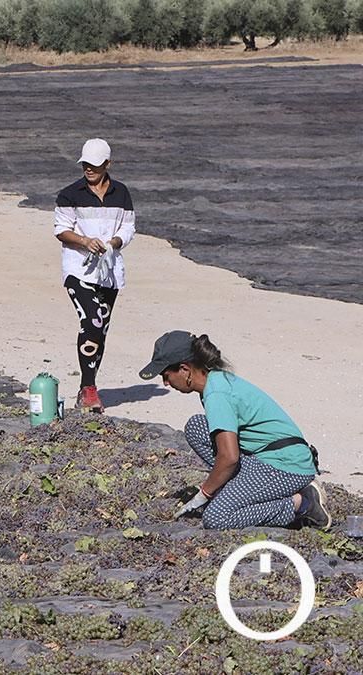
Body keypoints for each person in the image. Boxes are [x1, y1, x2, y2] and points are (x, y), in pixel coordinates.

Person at [141, 331, 330, 531]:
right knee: (196, 427)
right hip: (268, 457)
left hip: (287, 468)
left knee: (216, 518)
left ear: (185, 369)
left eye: (166, 375)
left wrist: (204, 494)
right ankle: (237, 491)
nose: (165, 383)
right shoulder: (215, 379)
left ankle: (303, 504)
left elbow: (229, 457)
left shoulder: (217, 394)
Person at [53, 138, 136, 413]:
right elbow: (60, 230)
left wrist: (113, 243)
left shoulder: (122, 193)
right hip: (78, 269)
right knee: (92, 321)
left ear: (107, 164)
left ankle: (87, 389)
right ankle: (89, 390)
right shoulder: (69, 194)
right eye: (86, 164)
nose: (89, 169)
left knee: (100, 329)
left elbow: (128, 228)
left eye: (95, 165)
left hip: (110, 273)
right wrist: (84, 241)